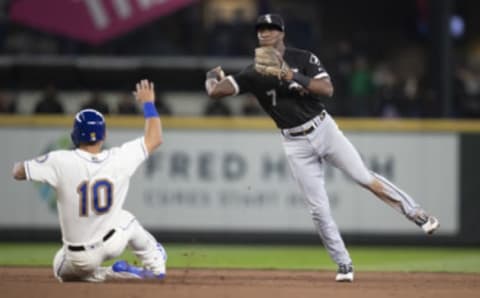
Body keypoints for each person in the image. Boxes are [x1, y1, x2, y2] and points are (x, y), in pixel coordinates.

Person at [204, 14, 440, 283]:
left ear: (282, 33)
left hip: (323, 129)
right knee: (318, 209)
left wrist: (290, 74)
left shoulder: (303, 58)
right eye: (261, 29)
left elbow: (327, 89)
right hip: (294, 141)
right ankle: (344, 264)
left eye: (271, 28)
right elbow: (215, 92)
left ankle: (417, 214)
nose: (265, 33)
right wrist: (211, 76)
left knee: (364, 177)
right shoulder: (253, 72)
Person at [12, 79, 167, 282]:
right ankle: (155, 264)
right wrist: (148, 103)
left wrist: (24, 166)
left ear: (74, 136)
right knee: (126, 219)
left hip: (79, 258)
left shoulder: (59, 160)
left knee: (59, 267)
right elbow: (155, 138)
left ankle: (105, 274)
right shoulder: (119, 157)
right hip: (112, 242)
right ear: (103, 135)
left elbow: (18, 172)